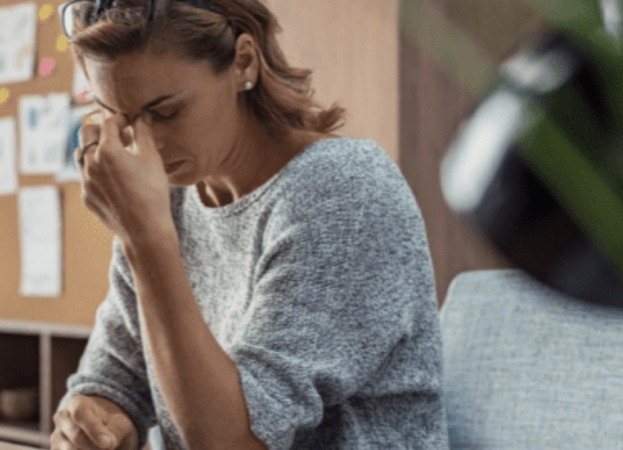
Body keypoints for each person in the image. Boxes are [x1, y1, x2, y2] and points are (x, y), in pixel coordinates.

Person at [52, 0, 448, 449]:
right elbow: (118, 377)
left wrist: (145, 238)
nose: (145, 144)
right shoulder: (172, 200)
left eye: (164, 112)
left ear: (244, 61)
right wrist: (96, 417)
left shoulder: (344, 192)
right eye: (118, 115)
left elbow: (235, 442)